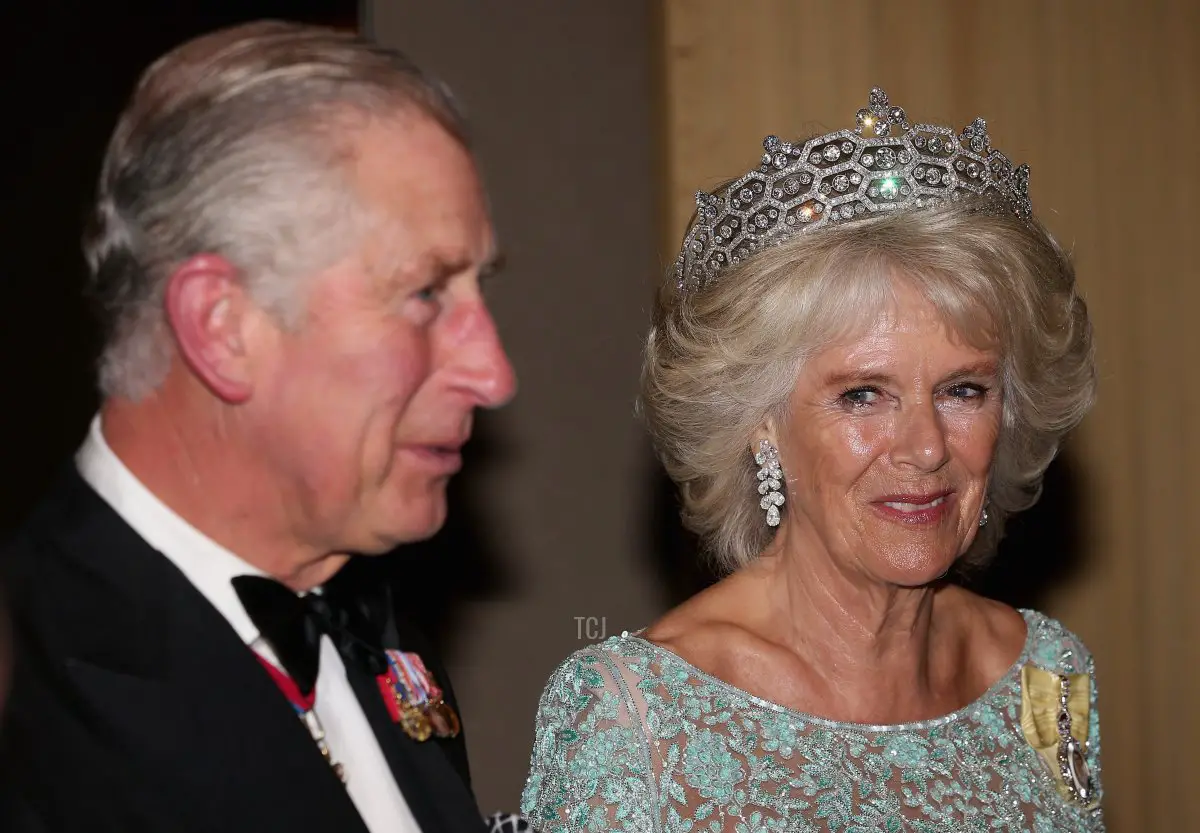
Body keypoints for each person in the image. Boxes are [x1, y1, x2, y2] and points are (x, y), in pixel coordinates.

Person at [522, 88, 1104, 831]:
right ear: (759, 423)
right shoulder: (634, 716)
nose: (925, 446)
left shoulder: (1049, 675)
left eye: (963, 390)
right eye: (863, 394)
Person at [0, 20, 515, 833]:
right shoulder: (31, 698)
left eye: (478, 291)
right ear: (222, 326)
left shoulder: (379, 637)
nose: (494, 374)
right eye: (425, 295)